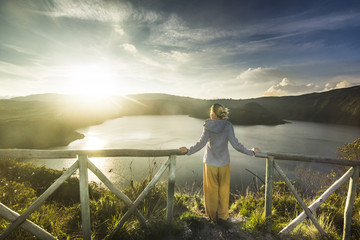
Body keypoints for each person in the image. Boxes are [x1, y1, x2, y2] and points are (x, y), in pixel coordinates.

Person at [179, 103, 260, 223]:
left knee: (211, 190)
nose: (209, 114)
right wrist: (251, 152)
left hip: (210, 163)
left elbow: (201, 143)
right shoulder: (228, 126)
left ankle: (212, 217)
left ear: (214, 114)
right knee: (223, 190)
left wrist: (188, 151)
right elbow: (236, 145)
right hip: (224, 163)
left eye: (211, 112)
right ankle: (223, 216)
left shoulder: (208, 125)